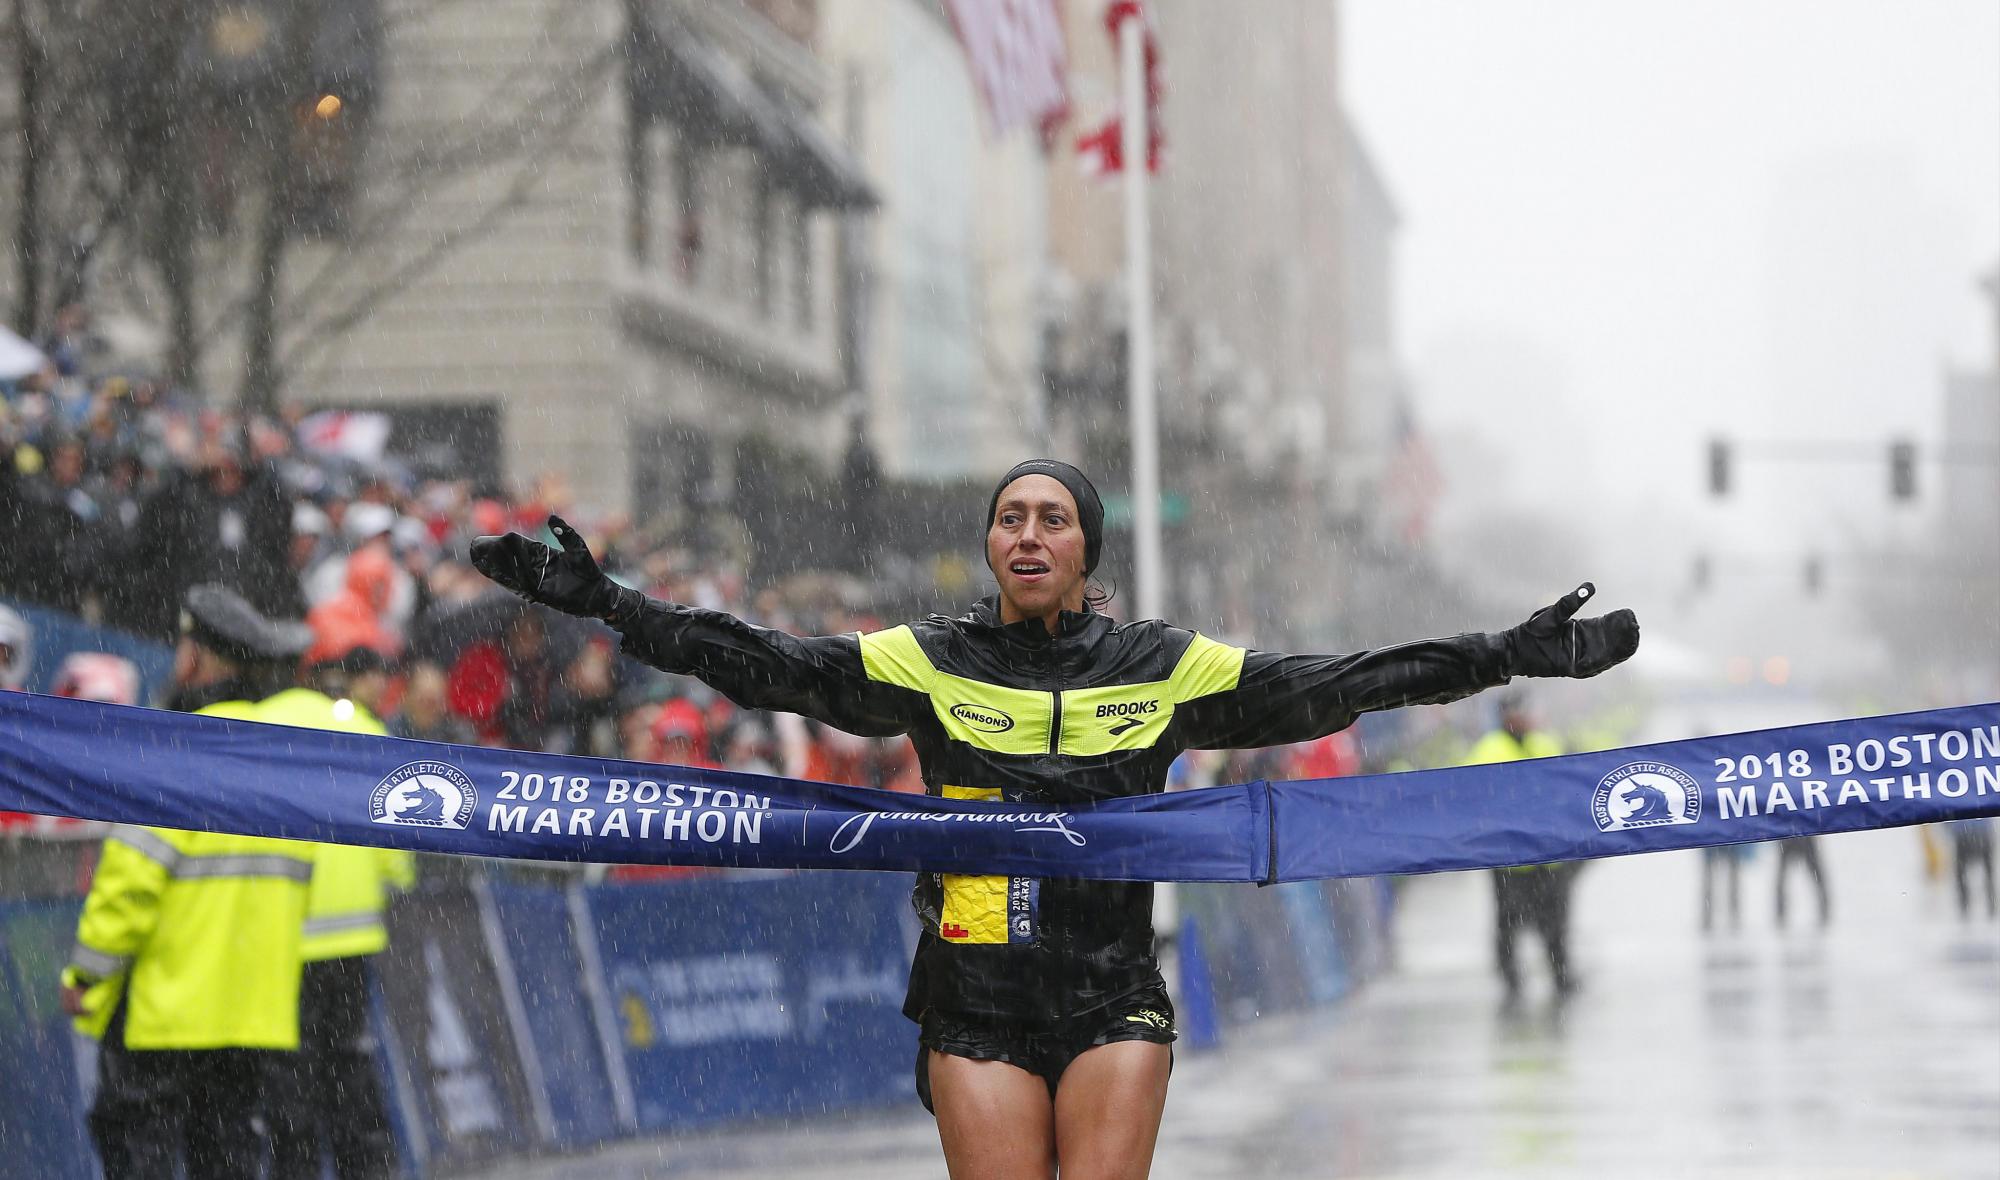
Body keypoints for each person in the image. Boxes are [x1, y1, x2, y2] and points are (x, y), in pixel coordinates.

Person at [470, 458, 1641, 1179]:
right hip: (972, 991)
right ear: (989, 545)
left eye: (1052, 519)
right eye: (1008, 518)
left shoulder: (1163, 664)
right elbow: (771, 666)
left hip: (1111, 987)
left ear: (1086, 550)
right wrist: (612, 605)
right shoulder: (928, 658)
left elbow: (1339, 680)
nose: (1026, 534)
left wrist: (1503, 654)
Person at [59, 585, 319, 1179]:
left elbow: (127, 890)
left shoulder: (174, 753)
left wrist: (85, 977)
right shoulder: (284, 764)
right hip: (253, 1016)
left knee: (137, 1151)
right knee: (228, 1159)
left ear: (193, 660)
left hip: (165, 1014)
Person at [261, 641, 415, 1180]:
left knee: (290, 1073)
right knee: (350, 1063)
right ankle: (368, 1167)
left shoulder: (264, 727)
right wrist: (393, 882)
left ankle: (297, 1168)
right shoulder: (366, 733)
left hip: (282, 937)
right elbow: (396, 844)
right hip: (351, 938)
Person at [1463, 691, 1580, 1005]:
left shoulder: (1545, 743)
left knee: (1555, 920)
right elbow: (1474, 801)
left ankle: (1561, 973)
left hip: (1549, 858)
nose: (1526, 717)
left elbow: (1564, 789)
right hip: (1509, 861)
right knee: (1508, 922)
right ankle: (1510, 978)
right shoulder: (1487, 750)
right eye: (1519, 712)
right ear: (1506, 717)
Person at [1773, 835, 1830, 928]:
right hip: (1794, 837)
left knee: (1782, 877)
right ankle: (1780, 912)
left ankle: (1780, 912)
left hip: (1795, 837)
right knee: (1782, 877)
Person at [1948, 817, 1994, 921]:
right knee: (1987, 873)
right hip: (1981, 832)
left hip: (1964, 833)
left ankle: (1965, 907)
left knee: (1962, 873)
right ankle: (1990, 905)